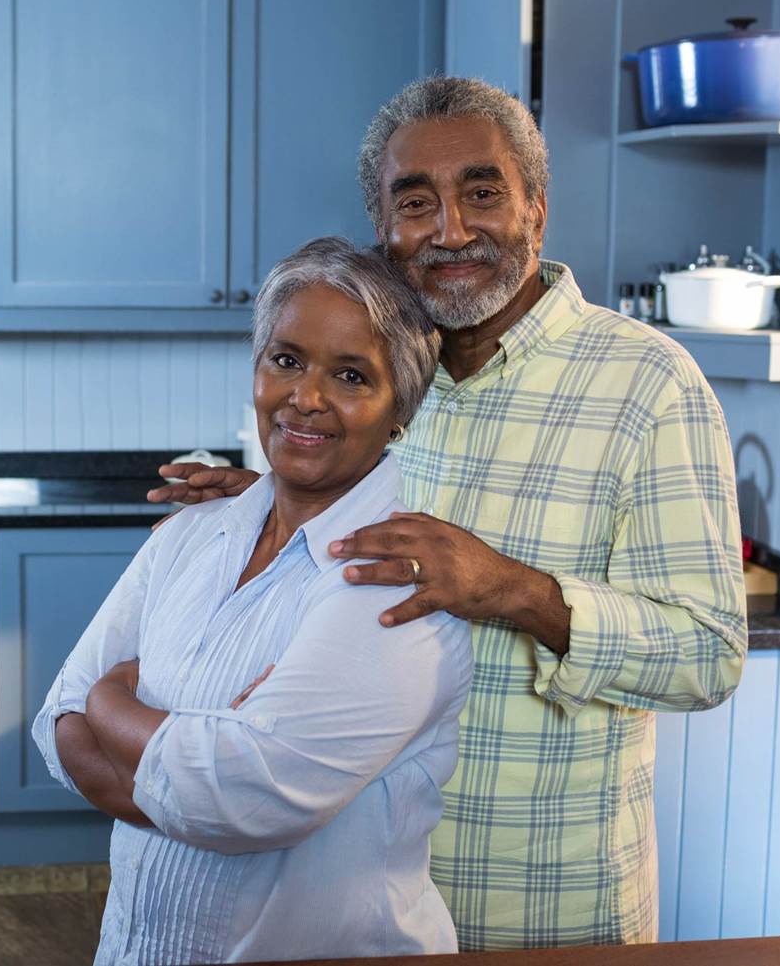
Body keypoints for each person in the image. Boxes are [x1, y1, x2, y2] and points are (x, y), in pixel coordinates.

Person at [151, 77, 747, 949]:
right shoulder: (372, 376)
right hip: (351, 904)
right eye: (415, 201)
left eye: (481, 191)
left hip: (539, 910)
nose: (450, 229)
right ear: (383, 230)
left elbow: (709, 653)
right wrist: (280, 513)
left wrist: (508, 588)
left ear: (536, 210)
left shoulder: (650, 386)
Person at [33, 238, 474, 964]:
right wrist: (198, 761)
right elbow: (56, 725)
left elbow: (242, 797)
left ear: (402, 407)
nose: (306, 397)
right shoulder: (196, 527)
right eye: (287, 359)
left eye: (352, 375)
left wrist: (113, 702)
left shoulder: (395, 577)